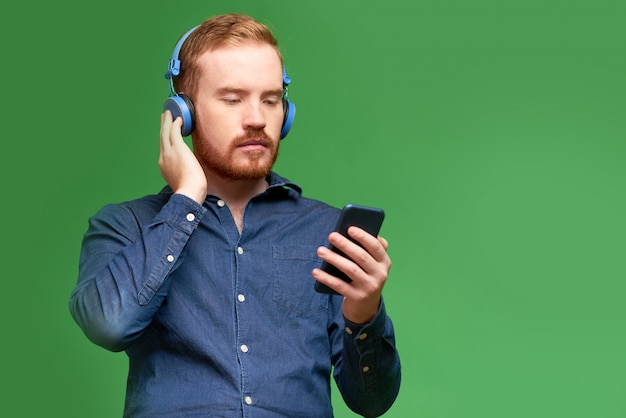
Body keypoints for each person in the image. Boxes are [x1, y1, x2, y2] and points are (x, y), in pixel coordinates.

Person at [69, 13, 401, 418]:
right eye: (232, 98)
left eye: (271, 99)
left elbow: (372, 402)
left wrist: (363, 314)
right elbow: (108, 325)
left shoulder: (327, 233)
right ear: (182, 114)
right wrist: (188, 198)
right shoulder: (126, 226)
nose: (257, 119)